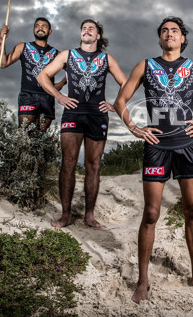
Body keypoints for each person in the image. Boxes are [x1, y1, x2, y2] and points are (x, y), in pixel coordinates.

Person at [114, 16, 193, 303]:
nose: (169, 34)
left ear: (183, 38)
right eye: (164, 31)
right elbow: (120, 101)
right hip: (157, 147)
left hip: (188, 145)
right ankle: (143, 280)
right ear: (160, 38)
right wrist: (135, 128)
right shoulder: (146, 65)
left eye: (174, 31)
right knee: (151, 214)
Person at [37, 19, 126, 229]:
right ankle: (66, 215)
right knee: (68, 162)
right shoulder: (67, 55)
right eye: (84, 28)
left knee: (93, 166)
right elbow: (43, 76)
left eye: (91, 29)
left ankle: (89, 216)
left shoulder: (106, 58)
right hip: (73, 114)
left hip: (97, 115)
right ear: (81, 34)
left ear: (97, 36)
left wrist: (114, 104)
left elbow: (125, 82)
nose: (86, 31)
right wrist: (59, 96)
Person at [0, 17, 67, 131]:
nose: (40, 28)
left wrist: (61, 83)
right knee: (24, 134)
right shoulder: (23, 47)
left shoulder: (56, 53)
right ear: (33, 30)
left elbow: (73, 71)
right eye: (37, 26)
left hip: (47, 97)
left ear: (50, 31)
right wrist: (2, 41)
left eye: (44, 26)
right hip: (28, 95)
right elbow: (3, 63)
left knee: (41, 137)